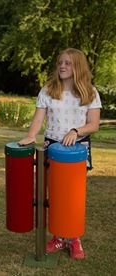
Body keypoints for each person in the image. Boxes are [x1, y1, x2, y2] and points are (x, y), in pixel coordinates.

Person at [18, 48, 102, 259]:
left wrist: (76, 131)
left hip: (77, 149)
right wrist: (31, 136)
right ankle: (57, 237)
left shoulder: (90, 92)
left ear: (78, 67)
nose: (62, 66)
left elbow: (94, 124)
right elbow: (38, 119)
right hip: (51, 146)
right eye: (60, 62)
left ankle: (73, 239)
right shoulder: (48, 90)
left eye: (68, 63)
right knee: (53, 194)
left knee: (72, 197)